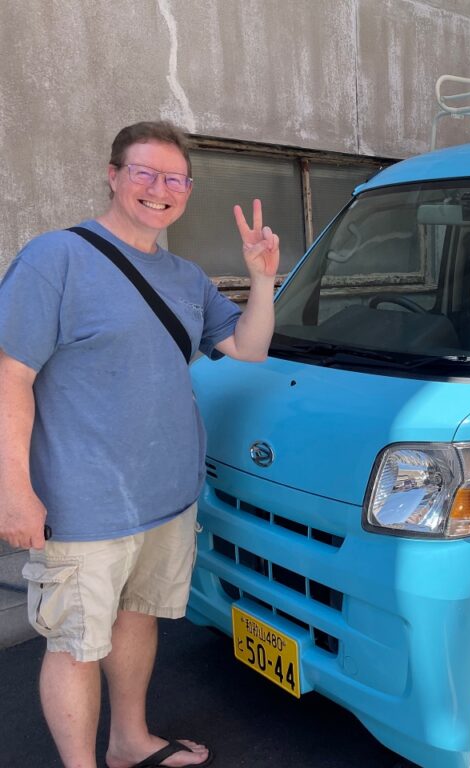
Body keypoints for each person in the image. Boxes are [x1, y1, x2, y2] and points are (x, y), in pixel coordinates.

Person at [0, 121, 279, 768]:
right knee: (74, 644)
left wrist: (262, 278)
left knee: (139, 619)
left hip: (167, 498)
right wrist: (14, 488)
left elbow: (251, 348)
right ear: (114, 174)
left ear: (187, 190)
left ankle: (129, 742)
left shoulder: (184, 277)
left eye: (174, 178)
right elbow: (9, 376)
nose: (160, 189)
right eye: (145, 173)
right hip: (82, 505)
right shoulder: (55, 258)